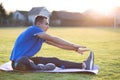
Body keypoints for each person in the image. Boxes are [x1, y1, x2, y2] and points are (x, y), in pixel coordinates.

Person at [10, 15, 94, 71]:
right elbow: (53, 39)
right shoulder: (34, 29)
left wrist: (75, 49)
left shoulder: (39, 36)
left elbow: (58, 45)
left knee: (54, 60)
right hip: (19, 63)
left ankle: (84, 65)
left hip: (27, 61)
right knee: (27, 61)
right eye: (46, 24)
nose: (48, 26)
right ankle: (40, 68)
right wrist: (73, 45)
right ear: (38, 24)